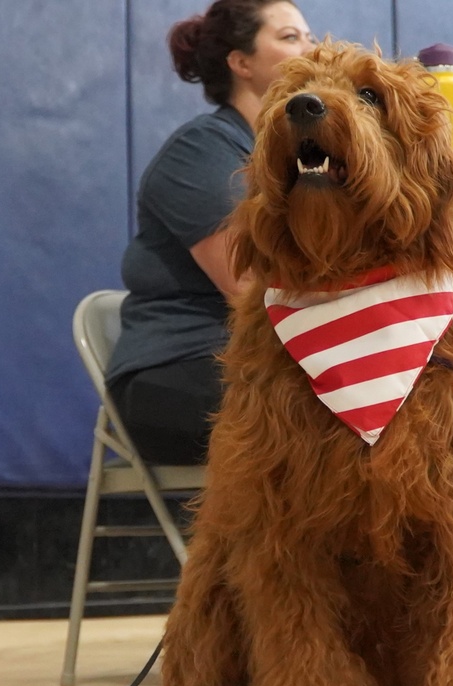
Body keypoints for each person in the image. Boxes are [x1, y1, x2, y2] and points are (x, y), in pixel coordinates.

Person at [105, 0, 316, 465]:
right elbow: (249, 290)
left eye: (310, 36)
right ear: (241, 63)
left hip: (261, 361)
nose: (312, 48)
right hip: (175, 371)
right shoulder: (199, 153)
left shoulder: (298, 156)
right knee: (327, 415)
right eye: (290, 37)